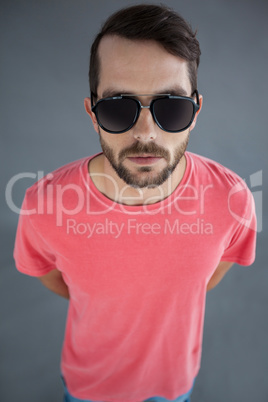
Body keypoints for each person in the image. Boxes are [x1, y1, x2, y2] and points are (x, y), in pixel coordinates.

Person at [14, 4, 257, 402]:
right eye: (118, 107)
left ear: (195, 112)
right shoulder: (43, 204)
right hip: (88, 387)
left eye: (172, 107)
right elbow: (54, 278)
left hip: (174, 384)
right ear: (93, 113)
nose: (146, 133)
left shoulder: (232, 199)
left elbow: (207, 277)